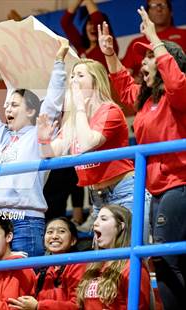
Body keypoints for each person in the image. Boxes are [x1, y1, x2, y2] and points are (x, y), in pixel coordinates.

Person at [99, 6, 186, 309]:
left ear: (166, 61)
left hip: (179, 184)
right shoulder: (148, 101)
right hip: (157, 189)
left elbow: (176, 83)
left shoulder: (179, 94)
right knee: (168, 261)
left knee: (163, 260)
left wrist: (154, 38)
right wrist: (110, 55)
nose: (143, 61)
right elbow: (124, 87)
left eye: (150, 56)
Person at [0, 39, 69, 257]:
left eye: (14, 105)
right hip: (0, 222)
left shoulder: (39, 134)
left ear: (31, 111)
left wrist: (58, 63)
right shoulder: (3, 138)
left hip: (27, 222)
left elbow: (53, 103)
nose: (7, 109)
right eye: (6, 105)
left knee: (26, 287)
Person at [37, 58, 136, 215]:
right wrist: (43, 140)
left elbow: (86, 143)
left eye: (80, 75)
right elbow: (49, 153)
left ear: (95, 82)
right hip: (96, 196)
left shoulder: (110, 110)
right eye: (72, 76)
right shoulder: (74, 118)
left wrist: (80, 107)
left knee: (131, 240)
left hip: (123, 190)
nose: (74, 80)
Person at [77, 204, 151, 309]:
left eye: (103, 219)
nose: (95, 223)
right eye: (96, 218)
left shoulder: (133, 266)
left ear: (121, 227)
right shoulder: (92, 265)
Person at [8, 217, 85, 309]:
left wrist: (38, 306)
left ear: (73, 241)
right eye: (50, 232)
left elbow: (77, 306)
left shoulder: (78, 265)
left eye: (61, 231)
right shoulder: (43, 271)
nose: (54, 236)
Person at [122, 0, 186, 80]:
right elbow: (125, 76)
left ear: (171, 11)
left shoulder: (184, 35)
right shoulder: (136, 43)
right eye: (153, 6)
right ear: (147, 13)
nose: (159, 9)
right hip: (146, 89)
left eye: (163, 5)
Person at [60, 0, 119, 68]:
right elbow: (65, 23)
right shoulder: (81, 47)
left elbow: (97, 20)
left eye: (95, 24)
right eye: (90, 23)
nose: (93, 27)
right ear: (85, 27)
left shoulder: (109, 46)